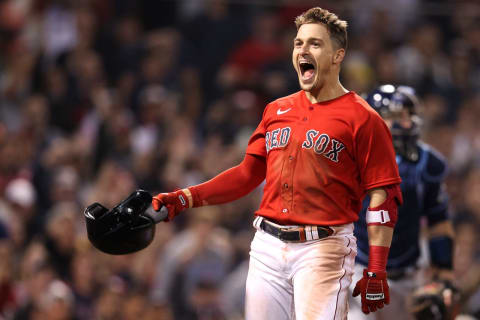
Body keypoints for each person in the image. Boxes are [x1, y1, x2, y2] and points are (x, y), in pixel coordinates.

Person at [152, 7, 402, 319]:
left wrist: (376, 267)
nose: (302, 50)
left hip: (323, 248)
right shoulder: (276, 109)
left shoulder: (363, 118)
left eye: (314, 43)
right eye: (298, 43)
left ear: (338, 55)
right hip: (267, 246)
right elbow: (246, 174)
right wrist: (185, 198)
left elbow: (384, 195)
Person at [348, 84, 455, 320]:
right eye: (388, 116)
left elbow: (438, 222)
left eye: (402, 116)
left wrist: (444, 271)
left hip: (408, 274)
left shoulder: (429, 163)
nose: (395, 124)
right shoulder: (349, 157)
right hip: (356, 269)